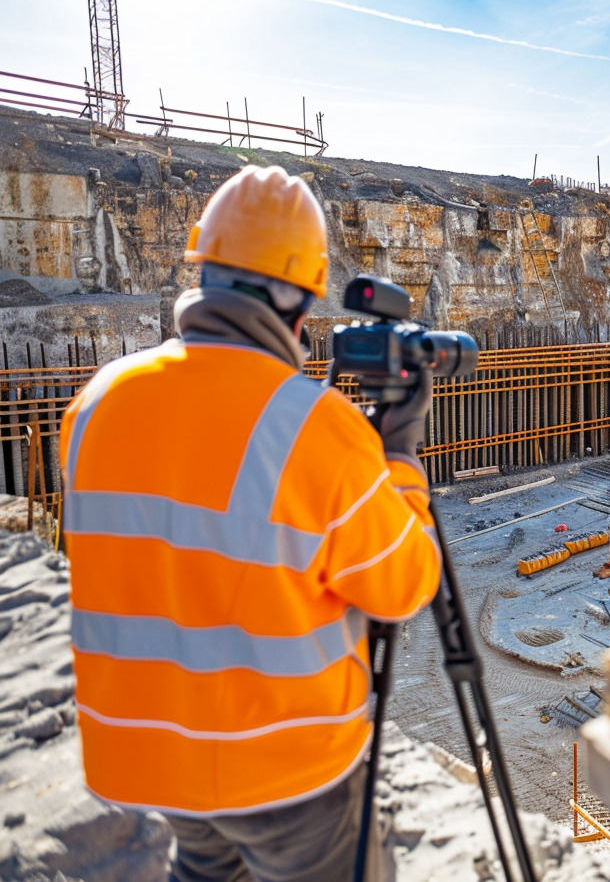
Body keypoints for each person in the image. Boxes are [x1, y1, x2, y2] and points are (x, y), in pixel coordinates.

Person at [60, 165, 442, 882]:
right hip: (284, 767)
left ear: (202, 272)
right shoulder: (310, 427)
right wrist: (397, 457)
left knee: (206, 868)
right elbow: (404, 586)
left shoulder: (97, 402)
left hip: (144, 755)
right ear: (300, 298)